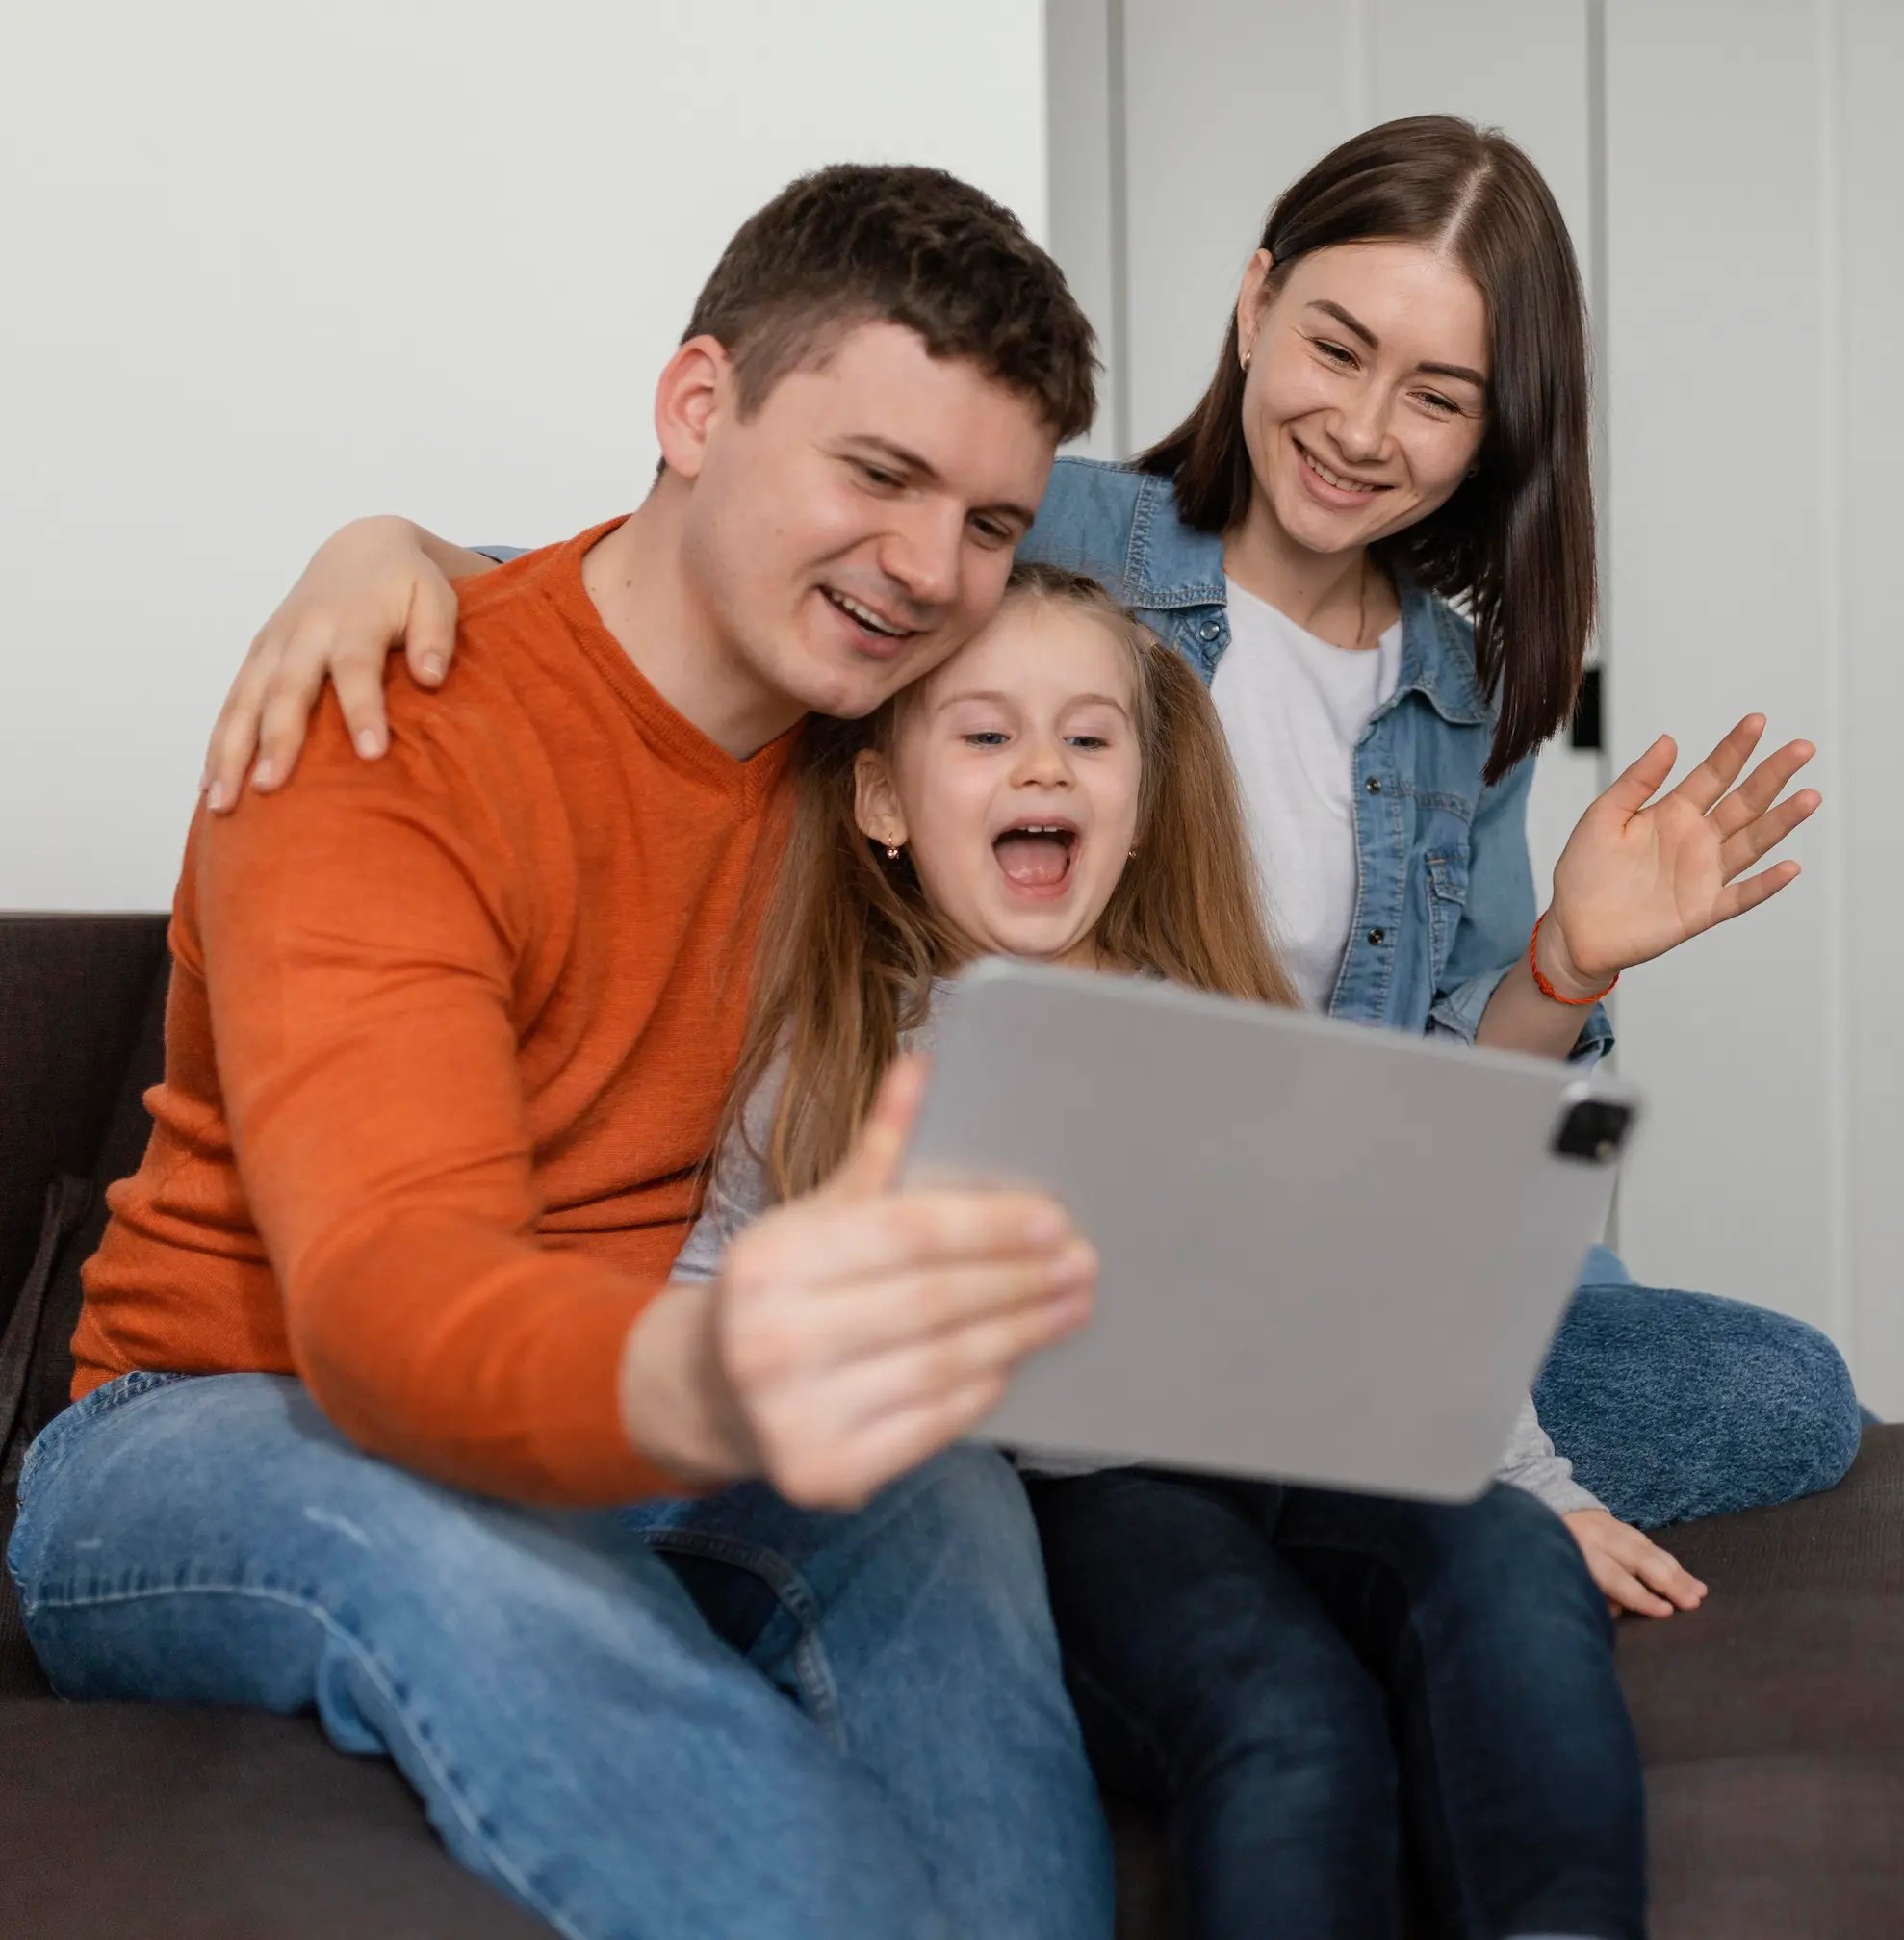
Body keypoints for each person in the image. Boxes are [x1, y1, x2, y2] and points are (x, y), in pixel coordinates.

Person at [204, 116, 1867, 1533]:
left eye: (1438, 396)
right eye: (1338, 348)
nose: (1364, 431)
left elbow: (1443, 1134)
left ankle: (1273, 1457)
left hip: (1292, 1254)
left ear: (1497, 425)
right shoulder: (1049, 523)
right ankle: (1224, 1473)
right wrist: (386, 539)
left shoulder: (1456, 692)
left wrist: (1567, 963)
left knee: (1785, 1394)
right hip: (1039, 1262)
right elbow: (697, 563)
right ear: (1254, 303)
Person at [9, 167, 1120, 1940]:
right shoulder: (378, 733)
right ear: (697, 407)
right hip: (215, 1422)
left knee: (943, 1493)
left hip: (620, 1408)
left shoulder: (871, 732)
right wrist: (729, 1366)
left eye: (991, 521)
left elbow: (1257, 535)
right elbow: (391, 1313)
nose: (930, 570)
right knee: (493, 1569)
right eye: (877, 473)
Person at [692, 559, 1699, 1938]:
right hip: (1088, 1497)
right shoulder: (833, 1066)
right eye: (986, 734)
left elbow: (1396, 1278)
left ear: (1144, 797)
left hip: (1311, 1445)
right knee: (1285, 1709)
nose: (1042, 762)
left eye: (1089, 738)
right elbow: (716, 1301)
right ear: (881, 801)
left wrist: (1544, 1487)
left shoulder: (1231, 1025)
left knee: (1517, 1566)